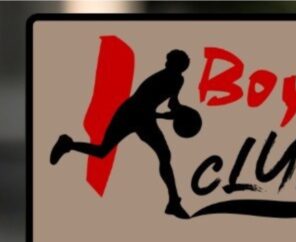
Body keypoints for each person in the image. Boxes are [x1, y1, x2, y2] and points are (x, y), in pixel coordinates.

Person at [49, 49, 195, 219]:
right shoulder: (161, 78)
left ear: (180, 66)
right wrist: (169, 115)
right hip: (130, 114)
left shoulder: (178, 80)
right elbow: (144, 106)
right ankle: (67, 144)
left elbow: (172, 104)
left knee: (163, 155)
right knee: (103, 151)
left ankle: (173, 202)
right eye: (168, 61)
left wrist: (182, 113)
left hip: (143, 118)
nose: (166, 63)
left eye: (171, 61)